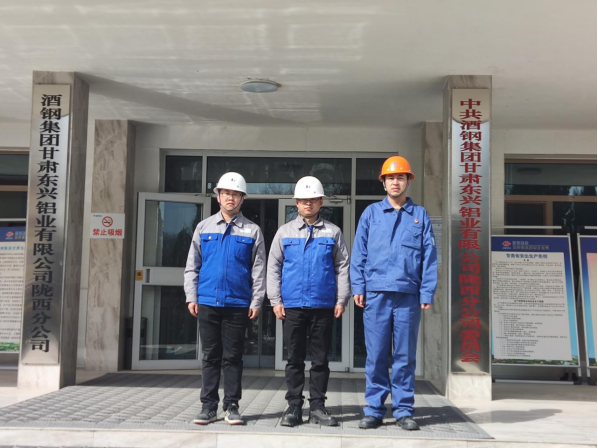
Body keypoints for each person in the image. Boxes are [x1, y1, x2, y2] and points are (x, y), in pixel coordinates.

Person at [351, 156, 438, 430]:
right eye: (390, 178)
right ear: (384, 182)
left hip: (407, 295)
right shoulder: (371, 214)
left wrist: (426, 292)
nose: (395, 182)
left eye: (400, 177)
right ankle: (374, 410)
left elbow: (429, 257)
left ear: (408, 181)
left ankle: (403, 410)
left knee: (405, 356)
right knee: (376, 355)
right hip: (376, 294)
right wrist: (358, 286)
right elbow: (359, 253)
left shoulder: (420, 215)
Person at [267, 176, 351, 427]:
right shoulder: (284, 232)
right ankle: (294, 406)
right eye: (303, 200)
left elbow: (342, 267)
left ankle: (317, 407)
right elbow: (273, 267)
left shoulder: (333, 232)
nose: (308, 204)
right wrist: (275, 300)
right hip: (292, 306)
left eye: (313, 200)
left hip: (323, 306)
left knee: (320, 360)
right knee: (294, 359)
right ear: (296, 202)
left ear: (321, 202)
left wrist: (341, 299)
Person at [184, 172, 266, 426]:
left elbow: (259, 269)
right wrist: (191, 296)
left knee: (233, 357)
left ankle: (232, 406)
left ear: (242, 199)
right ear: (218, 197)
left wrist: (256, 300)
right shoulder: (203, 227)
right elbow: (192, 266)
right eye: (226, 193)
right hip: (208, 301)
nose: (230, 198)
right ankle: (208, 407)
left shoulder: (252, 230)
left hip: (238, 304)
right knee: (210, 356)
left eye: (235, 194)